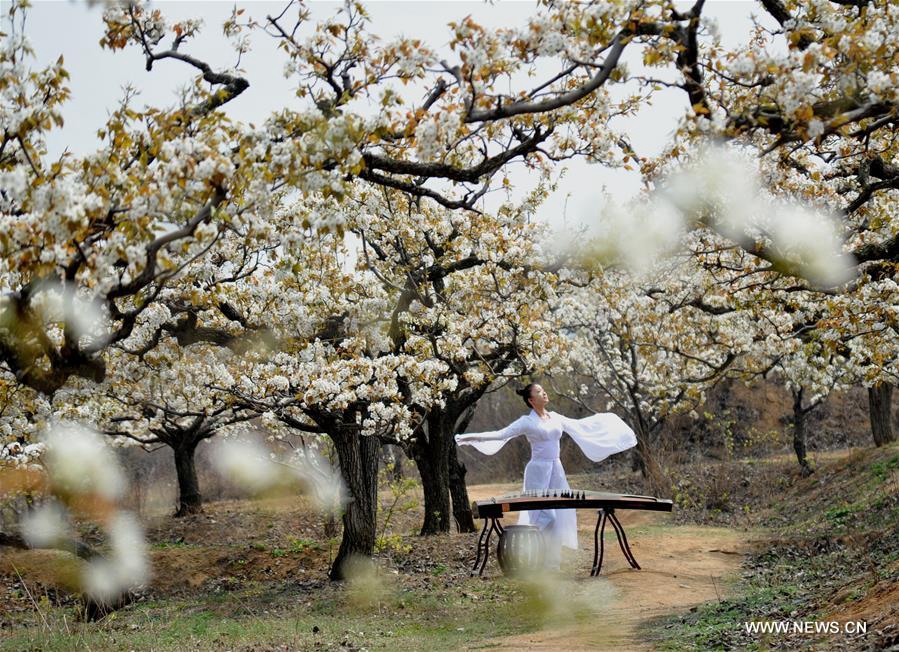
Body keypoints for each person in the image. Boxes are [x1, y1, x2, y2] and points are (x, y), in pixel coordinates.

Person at [455, 383, 637, 570]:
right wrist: (469, 438)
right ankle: (531, 557)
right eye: (539, 392)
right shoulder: (527, 422)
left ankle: (552, 563)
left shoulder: (555, 418)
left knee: (559, 516)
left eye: (543, 390)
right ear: (531, 400)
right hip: (538, 472)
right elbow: (501, 434)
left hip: (556, 470)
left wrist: (608, 423)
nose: (544, 393)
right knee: (544, 517)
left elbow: (581, 425)